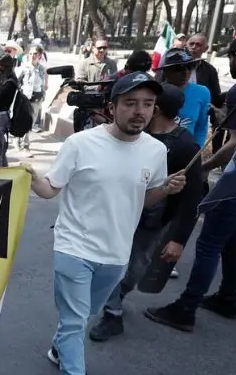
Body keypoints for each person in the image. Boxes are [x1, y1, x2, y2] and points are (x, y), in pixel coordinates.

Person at [24, 72, 185, 375]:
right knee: (74, 320)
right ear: (112, 108)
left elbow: (144, 198)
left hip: (115, 254)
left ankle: (58, 349)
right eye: (130, 103)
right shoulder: (81, 144)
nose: (139, 111)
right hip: (73, 247)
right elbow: (52, 189)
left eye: (147, 104)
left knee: (84, 314)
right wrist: (35, 179)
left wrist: (167, 190)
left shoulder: (157, 151)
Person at [145, 31, 236, 330]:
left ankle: (186, 308)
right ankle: (227, 298)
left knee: (208, 244)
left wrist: (202, 167)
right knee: (230, 238)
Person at [87, 83, 203, 341]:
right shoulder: (135, 136)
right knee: (113, 266)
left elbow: (193, 196)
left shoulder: (184, 147)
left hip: (150, 222)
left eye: (147, 104)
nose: (139, 110)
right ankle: (112, 313)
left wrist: (178, 239)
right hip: (117, 217)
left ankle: (113, 299)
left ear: (156, 109)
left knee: (133, 270)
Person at [155, 48, 211, 148]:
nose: (185, 73)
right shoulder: (155, 92)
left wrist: (196, 151)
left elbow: (201, 127)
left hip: (186, 153)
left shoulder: (202, 92)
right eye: (178, 68)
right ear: (166, 70)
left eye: (190, 67)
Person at [186, 33, 225, 153]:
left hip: (198, 115)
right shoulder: (173, 66)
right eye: (191, 44)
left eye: (198, 45)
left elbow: (215, 96)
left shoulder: (210, 71)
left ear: (205, 49)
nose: (194, 47)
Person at [18, 46, 48, 147]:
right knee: (24, 121)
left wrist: (43, 96)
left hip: (36, 99)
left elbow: (43, 85)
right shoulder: (23, 68)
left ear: (39, 56)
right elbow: (16, 83)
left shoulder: (42, 69)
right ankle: (25, 144)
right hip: (25, 98)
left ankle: (20, 139)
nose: (32, 56)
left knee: (31, 122)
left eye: (35, 54)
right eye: (30, 54)